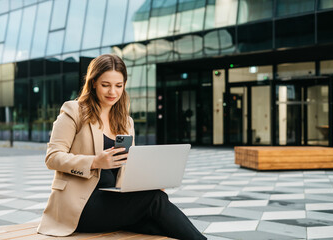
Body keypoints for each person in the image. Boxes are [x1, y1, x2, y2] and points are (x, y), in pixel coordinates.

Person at [37, 54, 206, 240]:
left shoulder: (126, 121)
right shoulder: (73, 111)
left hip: (113, 201)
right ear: (93, 82)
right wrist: (95, 162)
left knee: (158, 221)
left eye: (119, 85)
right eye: (105, 85)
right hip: (79, 207)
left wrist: (149, 183)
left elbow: (129, 166)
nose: (113, 92)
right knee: (154, 200)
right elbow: (52, 157)